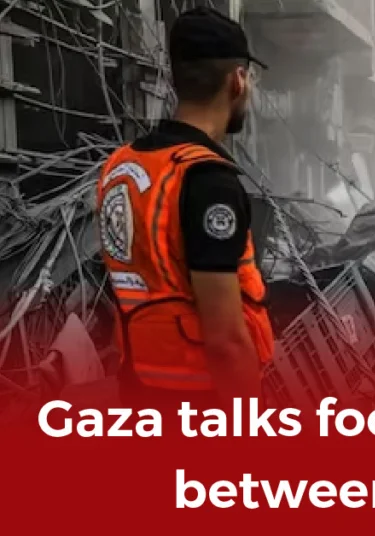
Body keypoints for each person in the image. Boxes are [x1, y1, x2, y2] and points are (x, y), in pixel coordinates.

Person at [95, 7, 274, 409]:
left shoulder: (123, 166)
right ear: (238, 81)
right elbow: (226, 341)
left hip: (139, 400)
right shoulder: (207, 181)